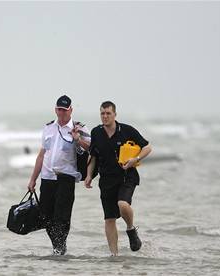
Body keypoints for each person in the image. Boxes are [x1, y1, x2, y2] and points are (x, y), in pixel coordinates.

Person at [84, 101, 152, 256]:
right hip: (106, 180)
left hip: (126, 177)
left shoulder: (127, 130)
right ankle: (114, 256)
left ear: (115, 114)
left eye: (108, 113)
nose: (105, 116)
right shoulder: (96, 132)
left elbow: (148, 147)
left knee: (122, 204)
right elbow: (93, 156)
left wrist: (136, 159)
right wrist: (88, 175)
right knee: (109, 219)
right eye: (102, 113)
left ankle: (130, 228)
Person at [27, 95, 91, 255]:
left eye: (65, 110)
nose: (61, 113)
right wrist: (33, 179)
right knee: (46, 217)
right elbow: (42, 155)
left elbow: (90, 149)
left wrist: (78, 139)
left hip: (66, 178)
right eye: (59, 109)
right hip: (47, 178)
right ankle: (58, 246)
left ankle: (60, 246)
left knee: (62, 217)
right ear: (55, 109)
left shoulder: (80, 128)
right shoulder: (48, 127)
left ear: (71, 110)